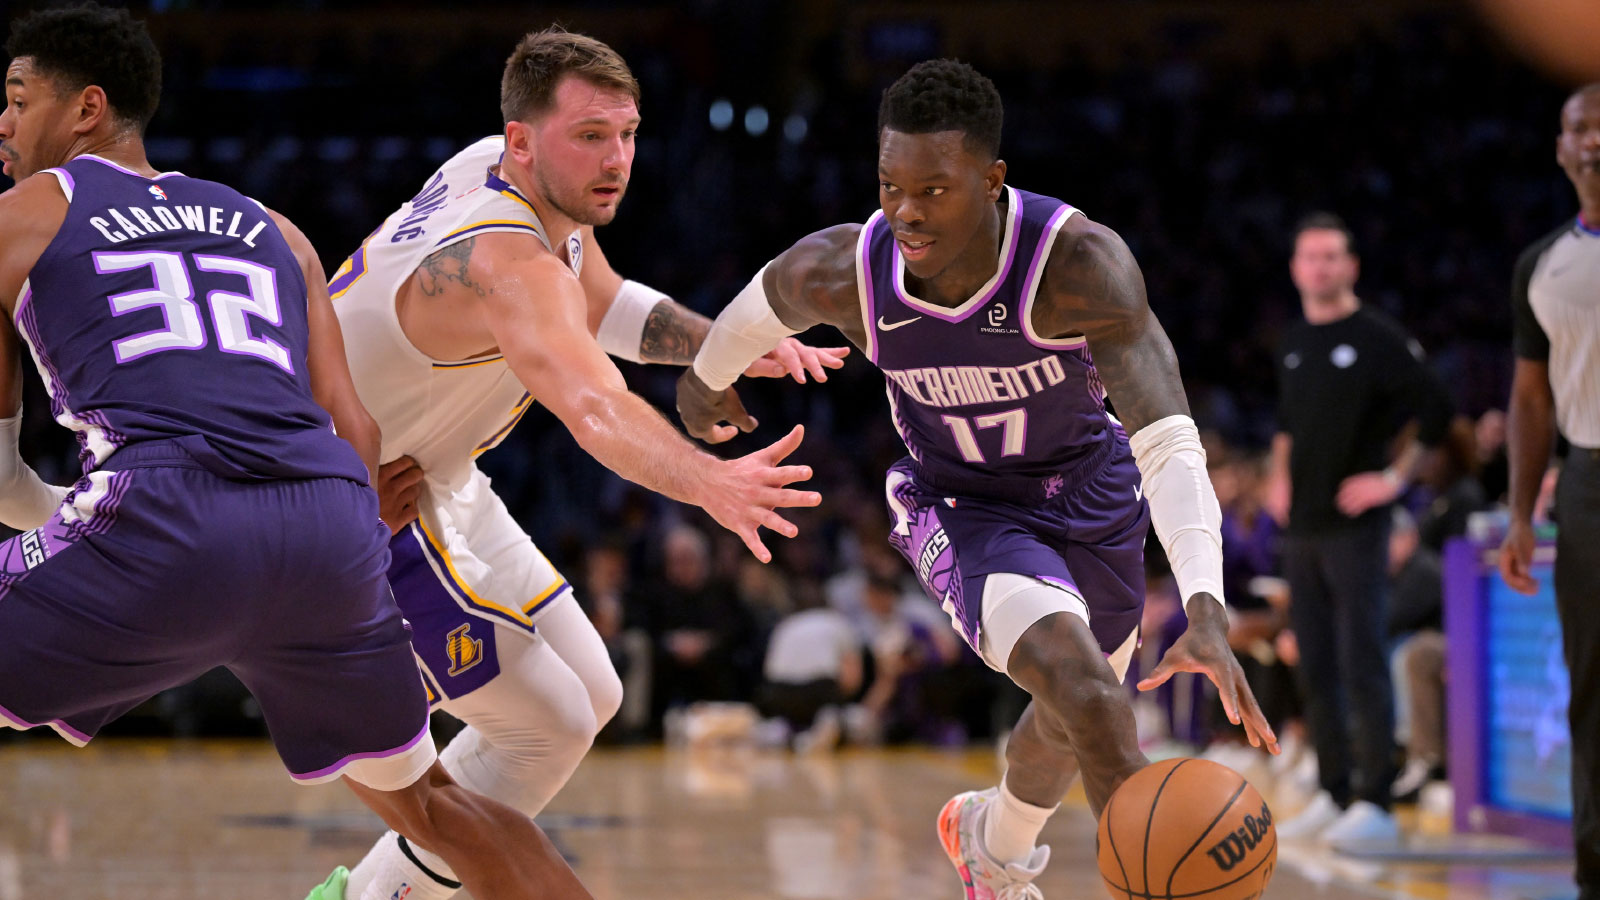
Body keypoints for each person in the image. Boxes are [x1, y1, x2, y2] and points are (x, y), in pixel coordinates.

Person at [0, 7, 587, 900]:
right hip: (322, 529)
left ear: (86, 109)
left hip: (159, 513)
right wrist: (346, 529)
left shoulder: (31, 209)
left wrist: (77, 522)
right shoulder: (276, 229)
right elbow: (353, 429)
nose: (3, 122)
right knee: (431, 804)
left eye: (16, 97)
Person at [676, 59, 1278, 897]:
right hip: (962, 503)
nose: (906, 211)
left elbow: (1170, 441)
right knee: (1091, 696)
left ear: (993, 181)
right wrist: (702, 383)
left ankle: (992, 844)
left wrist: (1204, 606)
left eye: (935, 189)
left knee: (1075, 709)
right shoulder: (847, 270)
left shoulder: (1078, 267)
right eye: (891, 184)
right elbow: (758, 304)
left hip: (1093, 493)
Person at [318, 27, 845, 900]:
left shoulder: (506, 174)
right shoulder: (506, 259)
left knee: (592, 692)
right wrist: (710, 481)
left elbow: (598, 299)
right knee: (547, 725)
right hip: (356, 500)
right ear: (525, 141)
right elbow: (595, 406)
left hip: (427, 470)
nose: (618, 158)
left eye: (628, 133)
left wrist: (723, 349)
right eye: (591, 136)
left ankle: (367, 874)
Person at [1263, 212, 1452, 846]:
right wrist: (1279, 477)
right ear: (1295, 269)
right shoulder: (1293, 341)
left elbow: (1437, 408)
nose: (1320, 267)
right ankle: (1334, 788)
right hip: (1304, 529)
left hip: (1357, 527)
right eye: (1309, 257)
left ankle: (1375, 801)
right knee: (1313, 660)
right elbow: (1288, 425)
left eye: (1331, 257)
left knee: (1361, 658)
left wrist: (1394, 480)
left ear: (1351, 267)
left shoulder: (1375, 337)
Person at [1499, 82, 1600, 900]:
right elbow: (1530, 398)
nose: (1595, 138)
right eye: (1580, 127)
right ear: (1562, 150)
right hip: (1589, 480)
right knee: (1593, 685)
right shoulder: (1542, 263)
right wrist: (1522, 512)